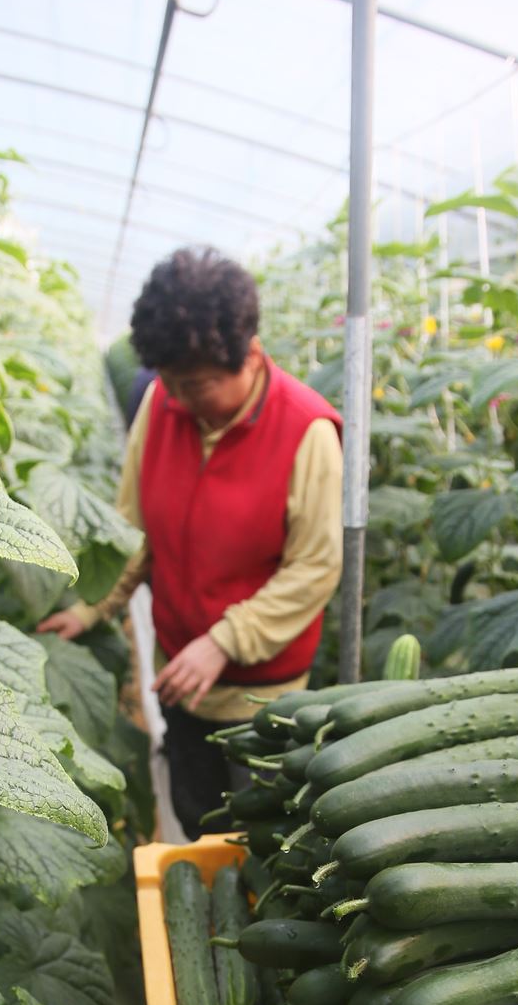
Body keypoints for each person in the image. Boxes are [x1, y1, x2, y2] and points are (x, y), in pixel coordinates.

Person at [38, 246, 344, 838]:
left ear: (250, 355)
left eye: (196, 385)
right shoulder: (162, 404)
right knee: (195, 814)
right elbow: (132, 528)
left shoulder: (307, 431)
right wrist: (92, 607)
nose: (178, 399)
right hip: (179, 674)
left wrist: (224, 641)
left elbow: (314, 568)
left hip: (262, 695)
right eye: (169, 382)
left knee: (264, 836)